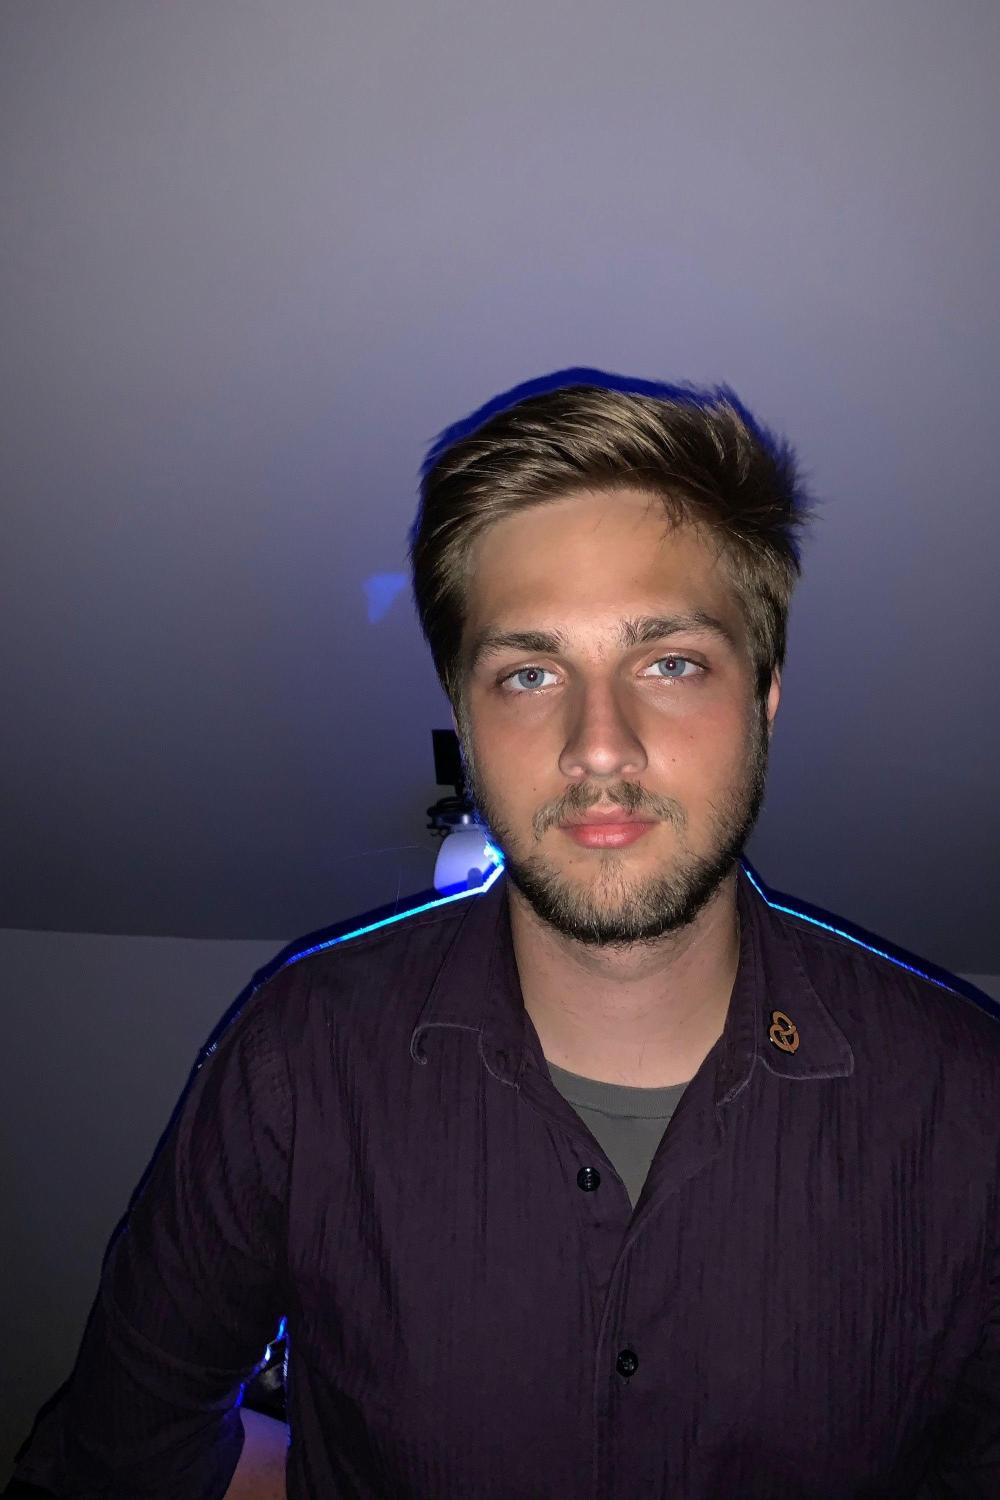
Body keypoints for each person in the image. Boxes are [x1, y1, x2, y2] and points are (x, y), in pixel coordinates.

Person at [9, 372, 999, 1498]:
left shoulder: (967, 1108)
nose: (598, 745)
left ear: (764, 696)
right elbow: (117, 1455)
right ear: (464, 723)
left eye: (669, 662)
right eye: (530, 673)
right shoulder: (300, 1057)